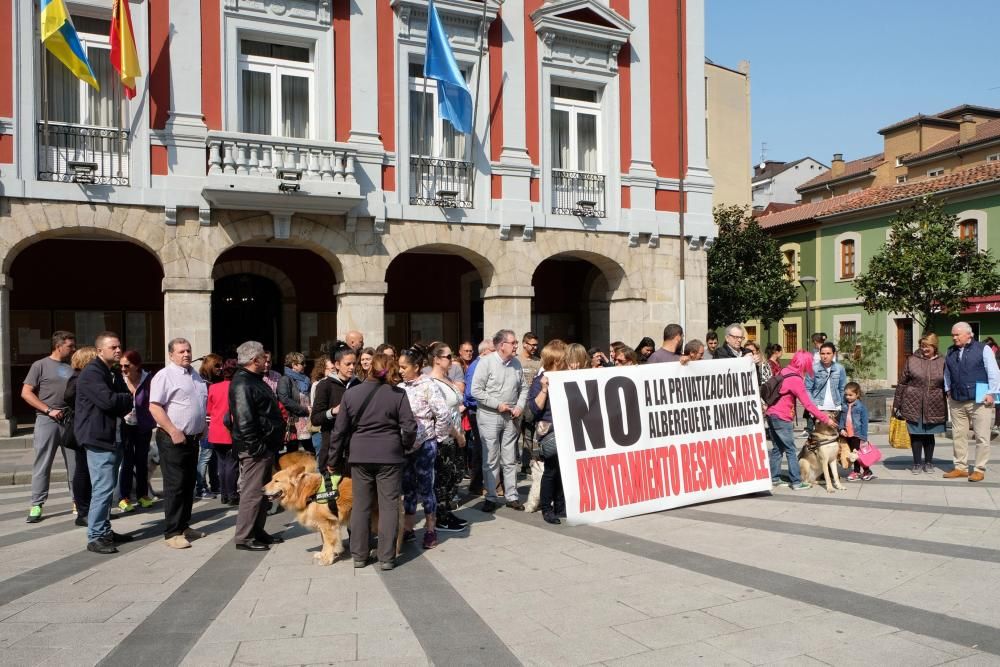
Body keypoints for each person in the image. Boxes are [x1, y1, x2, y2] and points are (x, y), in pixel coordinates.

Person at [329, 353, 416, 570]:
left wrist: (332, 459)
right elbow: (410, 427)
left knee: (361, 505)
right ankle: (386, 557)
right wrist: (404, 445)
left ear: (369, 369)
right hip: (390, 454)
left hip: (359, 455)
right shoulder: (398, 394)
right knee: (388, 506)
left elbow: (339, 431)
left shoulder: (352, 394)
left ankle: (359, 555)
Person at [75, 332, 134, 554]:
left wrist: (124, 398)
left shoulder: (112, 371)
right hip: (98, 437)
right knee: (102, 488)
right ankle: (96, 536)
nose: (118, 350)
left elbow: (127, 399)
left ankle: (105, 531)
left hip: (114, 436)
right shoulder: (92, 373)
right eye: (113, 347)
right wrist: (124, 398)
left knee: (107, 489)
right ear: (100, 351)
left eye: (119, 346)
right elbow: (110, 401)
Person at [149, 338, 209, 549]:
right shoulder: (164, 376)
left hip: (193, 439)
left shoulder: (195, 375)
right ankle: (172, 532)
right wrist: (173, 430)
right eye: (181, 351)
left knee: (188, 483)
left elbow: (200, 404)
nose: (186, 354)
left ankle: (184, 526)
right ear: (171, 354)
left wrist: (203, 425)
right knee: (175, 485)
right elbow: (155, 407)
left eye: (188, 350)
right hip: (172, 438)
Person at [230, 341, 286, 551]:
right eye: (263, 357)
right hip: (255, 448)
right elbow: (244, 420)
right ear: (255, 360)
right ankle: (244, 537)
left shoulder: (253, 380)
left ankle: (258, 531)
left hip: (265, 446)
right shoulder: (243, 383)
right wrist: (256, 447)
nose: (266, 360)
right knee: (252, 492)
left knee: (264, 492)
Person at [398, 345, 452, 549]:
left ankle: (431, 528)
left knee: (426, 486)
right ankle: (408, 528)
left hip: (425, 444)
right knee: (408, 487)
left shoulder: (429, 385)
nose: (401, 371)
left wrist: (437, 438)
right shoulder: (401, 387)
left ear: (417, 366)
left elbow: (443, 413)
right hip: (405, 446)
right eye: (399, 367)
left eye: (404, 367)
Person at [472, 329, 530, 513]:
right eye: (513, 343)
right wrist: (498, 405)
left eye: (516, 343)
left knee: (510, 458)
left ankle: (512, 496)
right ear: (501, 345)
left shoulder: (516, 364)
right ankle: (490, 496)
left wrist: (520, 406)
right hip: (490, 416)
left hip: (511, 417)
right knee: (491, 458)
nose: (516, 346)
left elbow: (524, 388)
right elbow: (476, 391)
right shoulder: (486, 363)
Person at [23, 330, 77, 523]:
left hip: (69, 420)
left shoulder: (73, 365)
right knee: (42, 463)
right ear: (58, 345)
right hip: (47, 420)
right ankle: (36, 504)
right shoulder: (40, 365)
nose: (73, 349)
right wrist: (48, 410)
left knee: (75, 464)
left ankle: (77, 501)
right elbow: (26, 393)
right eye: (70, 346)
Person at [766, 350, 838, 490]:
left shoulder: (785, 370)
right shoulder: (796, 379)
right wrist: (825, 419)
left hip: (771, 413)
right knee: (791, 449)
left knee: (778, 448)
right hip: (782, 416)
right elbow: (808, 405)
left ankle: (774, 478)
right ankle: (797, 482)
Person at [943, 321, 1000, 482]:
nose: (954, 337)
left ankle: (979, 469)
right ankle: (960, 467)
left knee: (981, 436)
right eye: (953, 334)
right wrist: (948, 390)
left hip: (980, 399)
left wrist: (992, 393)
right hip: (956, 398)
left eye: (957, 334)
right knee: (958, 435)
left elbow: (994, 372)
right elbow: (947, 372)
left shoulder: (983, 349)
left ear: (969, 334)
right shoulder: (950, 351)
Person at [427, 342, 468, 533]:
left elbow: (457, 405)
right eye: (448, 356)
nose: (452, 360)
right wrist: (457, 434)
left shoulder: (447, 379)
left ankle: (447, 512)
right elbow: (440, 415)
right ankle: (440, 517)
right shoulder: (432, 383)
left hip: (456, 435)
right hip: (445, 437)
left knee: (454, 475)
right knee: (443, 478)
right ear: (436, 359)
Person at [893, 333, 946, 474]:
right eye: (922, 346)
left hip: (934, 402)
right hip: (913, 401)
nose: (924, 349)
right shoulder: (912, 360)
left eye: (927, 346)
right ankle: (916, 463)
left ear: (934, 346)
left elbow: (948, 382)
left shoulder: (942, 361)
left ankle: (928, 462)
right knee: (915, 434)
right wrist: (896, 404)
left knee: (929, 435)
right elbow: (902, 383)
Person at [529, 341, 567, 524]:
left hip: (565, 429)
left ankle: (561, 506)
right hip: (550, 431)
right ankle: (547, 508)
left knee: (562, 470)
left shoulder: (564, 376)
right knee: (551, 470)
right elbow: (534, 410)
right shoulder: (540, 381)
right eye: (563, 359)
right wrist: (544, 389)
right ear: (555, 361)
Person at [118, 350, 156, 512]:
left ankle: (142, 495)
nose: (123, 369)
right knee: (126, 461)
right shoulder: (119, 378)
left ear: (137, 365)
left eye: (127, 365)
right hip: (125, 424)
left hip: (143, 424)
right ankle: (124, 497)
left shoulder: (148, 378)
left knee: (141, 460)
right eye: (121, 366)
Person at [313, 345, 361, 473]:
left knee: (352, 491)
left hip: (354, 449)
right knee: (330, 491)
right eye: (348, 364)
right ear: (337, 365)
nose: (352, 367)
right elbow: (315, 418)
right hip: (331, 449)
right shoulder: (325, 385)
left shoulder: (358, 384)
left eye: (354, 363)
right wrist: (333, 411)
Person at [63, 346, 96, 527]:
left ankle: (90, 510)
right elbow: (68, 397)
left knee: (87, 470)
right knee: (82, 470)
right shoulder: (78, 379)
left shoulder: (82, 378)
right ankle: (83, 511)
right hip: (81, 429)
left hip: (85, 427)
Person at [463, 339, 495, 496]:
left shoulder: (484, 364)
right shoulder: (477, 366)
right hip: (477, 412)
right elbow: (469, 394)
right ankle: (476, 484)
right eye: (493, 350)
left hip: (483, 411)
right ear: (485, 351)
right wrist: (488, 400)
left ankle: (480, 483)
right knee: (480, 448)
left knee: (482, 448)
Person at [207, 359, 239, 505]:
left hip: (215, 429)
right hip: (230, 429)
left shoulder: (213, 387)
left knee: (221, 463)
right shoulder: (237, 387)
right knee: (232, 464)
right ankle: (232, 495)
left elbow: (209, 410)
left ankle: (224, 495)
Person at [195, 353, 223, 501]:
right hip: (206, 425)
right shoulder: (202, 382)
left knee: (213, 457)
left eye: (221, 365)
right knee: (205, 456)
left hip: (215, 424)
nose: (221, 368)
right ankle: (201, 487)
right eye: (217, 365)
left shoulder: (213, 382)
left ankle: (215, 484)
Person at [805, 342, 846, 435]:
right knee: (820, 438)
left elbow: (842, 388)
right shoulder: (813, 369)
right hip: (819, 408)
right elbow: (808, 389)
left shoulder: (840, 368)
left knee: (836, 438)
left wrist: (843, 406)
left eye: (828, 353)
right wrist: (813, 406)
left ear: (833, 354)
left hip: (836, 408)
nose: (825, 356)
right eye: (822, 353)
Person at [277, 351, 314, 454]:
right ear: (294, 365)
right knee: (293, 452)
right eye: (302, 363)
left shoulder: (306, 379)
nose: (305, 365)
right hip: (294, 421)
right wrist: (304, 409)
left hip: (307, 420)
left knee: (310, 451)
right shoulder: (285, 379)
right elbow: (285, 399)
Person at [308, 354, 330, 453]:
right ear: (322, 369)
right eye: (330, 369)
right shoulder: (317, 385)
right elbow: (314, 406)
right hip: (319, 428)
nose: (333, 371)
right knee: (320, 454)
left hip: (329, 428)